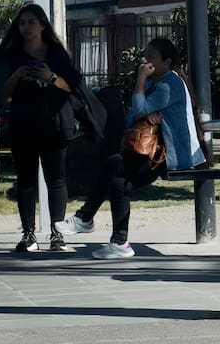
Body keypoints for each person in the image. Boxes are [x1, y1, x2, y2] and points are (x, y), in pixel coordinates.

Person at [56, 37, 207, 258]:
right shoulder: (153, 83)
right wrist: (144, 109)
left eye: (152, 58)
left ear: (167, 62)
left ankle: (86, 219)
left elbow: (138, 111)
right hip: (154, 152)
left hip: (174, 155)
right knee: (119, 181)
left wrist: (140, 82)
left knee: (113, 164)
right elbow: (131, 118)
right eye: (146, 56)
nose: (146, 62)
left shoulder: (169, 84)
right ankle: (118, 242)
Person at [0, 4, 82, 252]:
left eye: (31, 23)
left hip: (54, 124)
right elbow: (2, 93)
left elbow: (75, 87)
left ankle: (57, 233)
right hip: (23, 124)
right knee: (25, 180)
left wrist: (51, 77)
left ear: (42, 25)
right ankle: (28, 234)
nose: (25, 27)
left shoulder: (56, 53)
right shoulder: (11, 53)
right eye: (22, 23)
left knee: (55, 179)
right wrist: (16, 75)